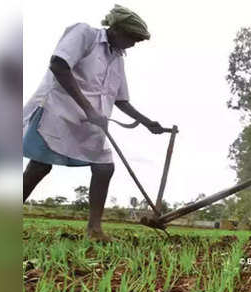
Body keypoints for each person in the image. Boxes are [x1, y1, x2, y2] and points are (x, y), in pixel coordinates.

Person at [22, 5, 165, 241]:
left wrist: (148, 123)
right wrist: (88, 108)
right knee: (40, 166)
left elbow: (121, 100)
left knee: (104, 167)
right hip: (58, 112)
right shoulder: (85, 34)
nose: (134, 44)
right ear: (118, 30)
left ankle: (94, 230)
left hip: (91, 122)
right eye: (133, 39)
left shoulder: (117, 58)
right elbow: (58, 64)